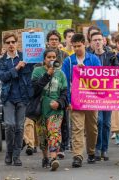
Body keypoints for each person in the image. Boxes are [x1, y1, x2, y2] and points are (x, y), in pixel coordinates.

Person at [61, 33, 101, 168]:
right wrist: (67, 101)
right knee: (77, 128)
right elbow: (65, 82)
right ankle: (77, 155)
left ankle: (91, 151)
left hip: (91, 100)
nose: (77, 49)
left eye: (79, 46)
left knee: (92, 128)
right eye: (74, 46)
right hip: (76, 100)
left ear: (84, 44)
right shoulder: (69, 61)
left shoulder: (94, 59)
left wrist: (87, 71)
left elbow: (100, 79)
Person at [0, 33, 34, 166]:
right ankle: (9, 152)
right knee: (9, 125)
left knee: (19, 127)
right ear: (5, 45)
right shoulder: (1, 61)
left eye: (13, 42)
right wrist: (17, 68)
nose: (11, 44)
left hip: (23, 97)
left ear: (17, 43)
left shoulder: (26, 57)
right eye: (8, 42)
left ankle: (17, 156)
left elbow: (37, 63)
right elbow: (2, 76)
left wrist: (37, 45)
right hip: (8, 98)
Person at [32, 49, 68, 171]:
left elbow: (64, 93)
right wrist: (48, 74)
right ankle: (45, 157)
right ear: (44, 59)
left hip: (56, 110)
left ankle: (53, 158)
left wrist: (59, 103)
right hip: (41, 109)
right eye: (49, 57)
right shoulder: (37, 72)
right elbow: (35, 90)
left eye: (54, 57)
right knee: (42, 136)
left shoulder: (61, 74)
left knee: (54, 132)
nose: (52, 59)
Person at [90, 32, 118, 161]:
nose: (97, 42)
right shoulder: (89, 57)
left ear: (104, 41)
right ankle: (97, 147)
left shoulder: (111, 56)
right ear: (91, 42)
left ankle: (104, 149)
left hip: (108, 94)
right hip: (94, 95)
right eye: (94, 40)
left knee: (106, 123)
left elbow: (117, 73)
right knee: (98, 121)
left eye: (99, 40)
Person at [46, 30, 69, 158]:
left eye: (56, 39)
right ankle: (52, 147)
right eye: (51, 39)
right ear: (48, 41)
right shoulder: (43, 55)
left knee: (64, 120)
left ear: (59, 41)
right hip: (48, 93)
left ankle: (62, 147)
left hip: (61, 91)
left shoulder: (65, 55)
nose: (54, 41)